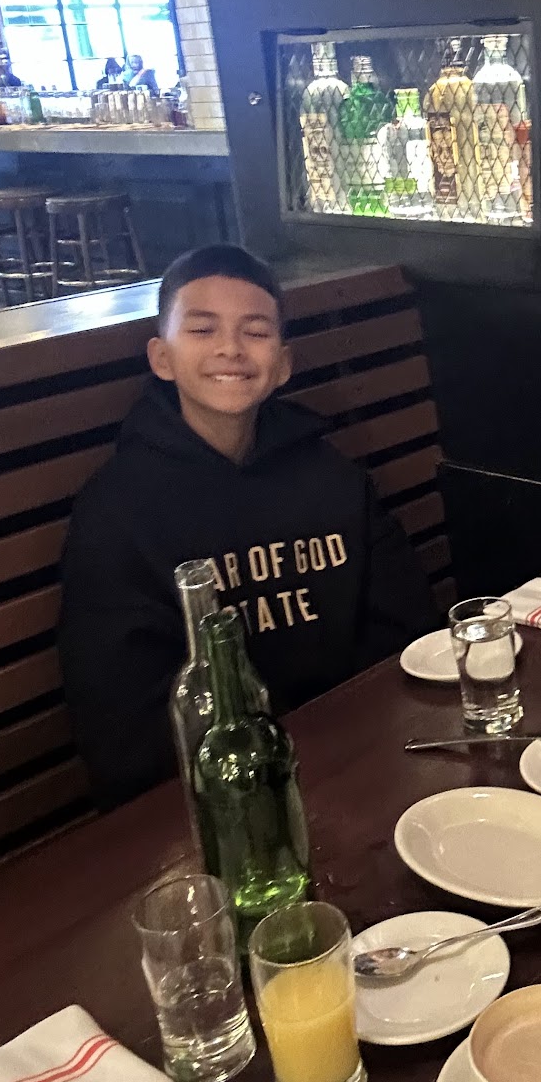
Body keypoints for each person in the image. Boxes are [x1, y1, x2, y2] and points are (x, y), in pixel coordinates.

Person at [58, 243, 438, 810]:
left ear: (283, 364)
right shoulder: (116, 512)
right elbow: (122, 727)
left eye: (255, 331)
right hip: (219, 799)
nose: (231, 349)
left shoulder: (332, 478)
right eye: (202, 329)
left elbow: (405, 627)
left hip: (358, 761)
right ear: (162, 357)